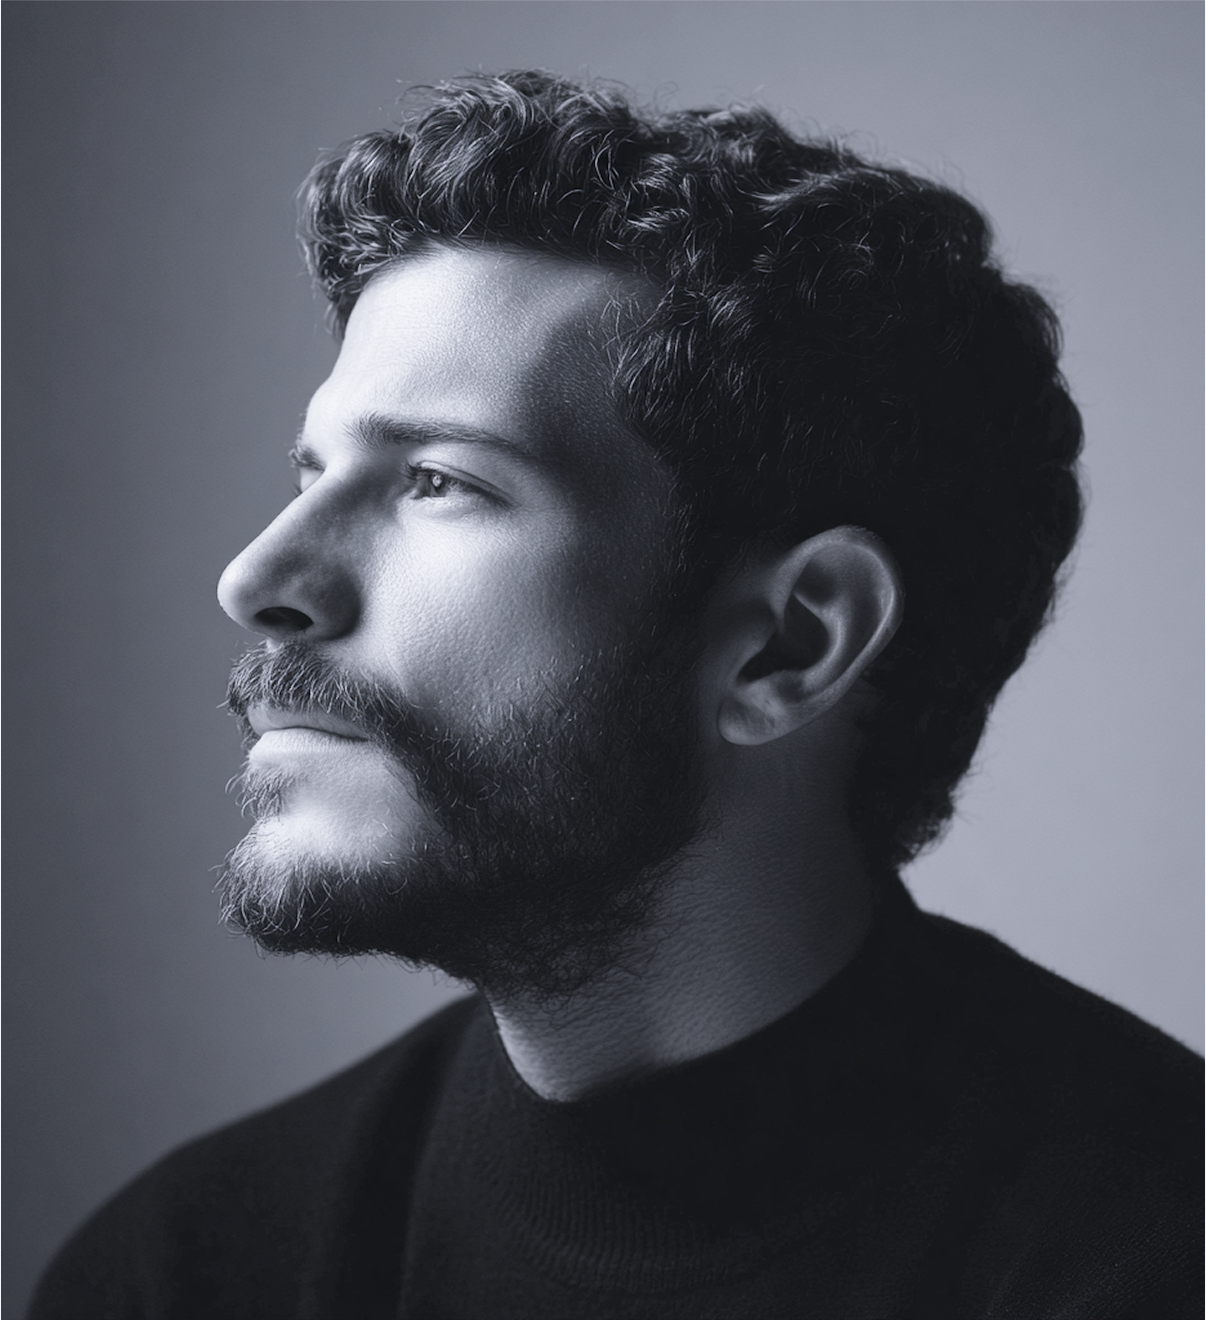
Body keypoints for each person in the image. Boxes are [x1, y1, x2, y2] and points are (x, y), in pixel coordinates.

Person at [32, 70, 1200, 1319]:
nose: (257, 578)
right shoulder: (186, 1272)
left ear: (789, 644)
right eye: (313, 472)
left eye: (439, 481)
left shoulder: (1150, 1254)